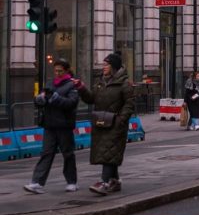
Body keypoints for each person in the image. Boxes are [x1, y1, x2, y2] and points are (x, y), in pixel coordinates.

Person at [76, 52, 135, 195]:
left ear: (114, 66)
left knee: (109, 151)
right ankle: (114, 181)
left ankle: (104, 182)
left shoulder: (124, 83)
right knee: (109, 153)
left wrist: (121, 120)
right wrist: (82, 88)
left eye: (106, 64)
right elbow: (91, 99)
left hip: (115, 124)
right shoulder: (100, 82)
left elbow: (129, 104)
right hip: (101, 123)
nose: (103, 67)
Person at [24, 59, 80, 194]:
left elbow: (71, 103)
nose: (57, 73)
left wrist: (56, 98)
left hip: (64, 125)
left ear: (66, 71)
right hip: (49, 124)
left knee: (68, 154)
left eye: (60, 71)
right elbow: (41, 100)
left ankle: (72, 182)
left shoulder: (72, 85)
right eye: (55, 70)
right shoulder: (50, 83)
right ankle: (37, 182)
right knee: (46, 153)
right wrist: (39, 100)